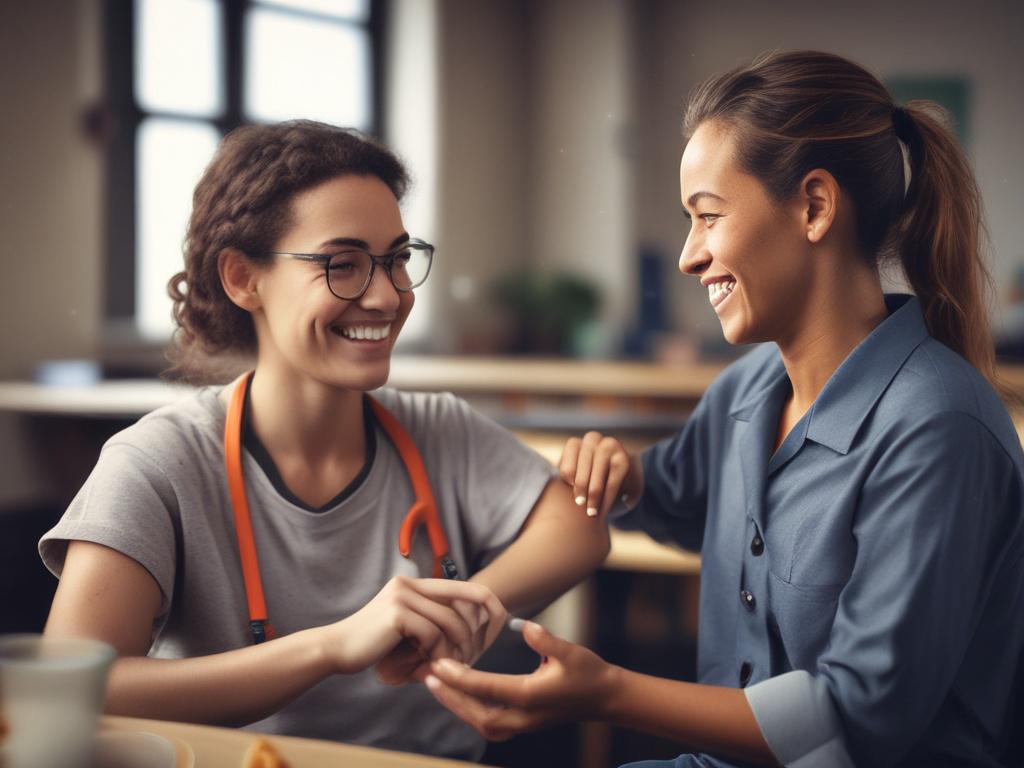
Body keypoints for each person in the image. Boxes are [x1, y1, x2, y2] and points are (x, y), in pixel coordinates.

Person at [423, 50, 1024, 768]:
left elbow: (859, 721)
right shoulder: (748, 391)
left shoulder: (936, 428)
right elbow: (672, 498)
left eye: (708, 217)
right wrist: (623, 473)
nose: (687, 255)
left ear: (814, 207)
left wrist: (606, 693)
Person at [38, 121, 610, 761]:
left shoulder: (438, 428)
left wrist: (464, 608)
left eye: (396, 260)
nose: (386, 295)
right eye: (343, 265)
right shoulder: (158, 464)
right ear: (242, 278)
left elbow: (578, 527)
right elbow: (76, 686)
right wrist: (334, 645)